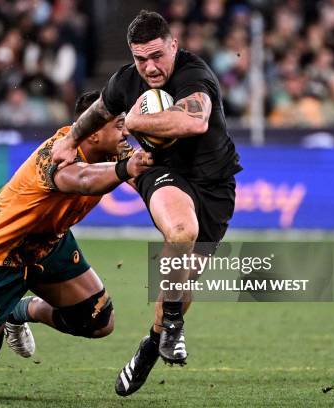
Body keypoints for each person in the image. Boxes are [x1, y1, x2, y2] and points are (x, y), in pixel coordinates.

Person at [0, 91, 153, 400]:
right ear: (92, 131)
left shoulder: (114, 150)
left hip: (47, 244)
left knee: (97, 319)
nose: (126, 131)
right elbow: (85, 180)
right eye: (119, 124)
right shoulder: (58, 153)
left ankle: (20, 311)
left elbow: (146, 181)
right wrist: (128, 168)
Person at [51, 10, 242, 396]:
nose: (150, 67)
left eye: (157, 56)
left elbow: (195, 122)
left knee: (181, 280)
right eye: (141, 59)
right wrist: (71, 140)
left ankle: (152, 345)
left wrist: (136, 123)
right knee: (181, 230)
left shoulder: (195, 74)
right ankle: (172, 325)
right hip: (161, 172)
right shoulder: (126, 81)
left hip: (215, 187)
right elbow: (100, 111)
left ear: (174, 45)